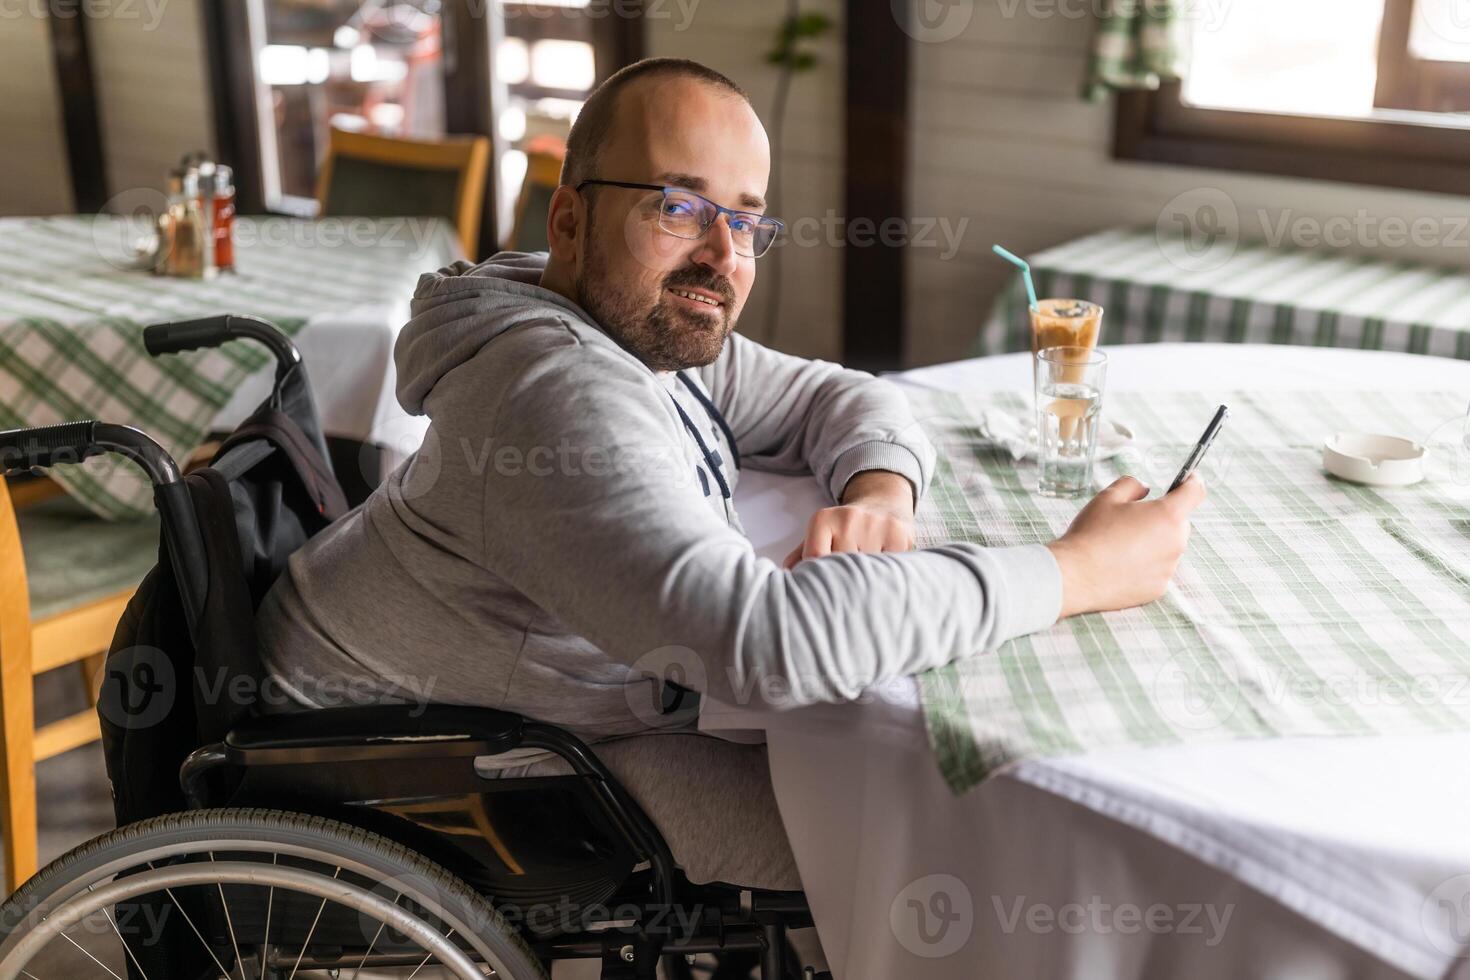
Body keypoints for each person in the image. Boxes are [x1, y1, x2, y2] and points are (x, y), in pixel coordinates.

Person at [257, 57, 1205, 892]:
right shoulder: (554, 388)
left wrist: (880, 491)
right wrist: (1079, 573)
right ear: (570, 220)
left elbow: (839, 398)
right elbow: (769, 645)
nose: (722, 257)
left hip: (561, 703)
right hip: (412, 761)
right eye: (679, 206)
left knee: (915, 798)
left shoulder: (633, 321)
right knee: (941, 861)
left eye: (746, 221)